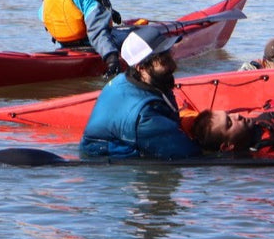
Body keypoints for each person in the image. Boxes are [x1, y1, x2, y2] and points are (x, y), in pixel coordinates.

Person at [79, 25, 200, 160]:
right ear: (141, 67)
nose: (174, 65)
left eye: (169, 54)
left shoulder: (135, 80)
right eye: (164, 60)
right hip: (111, 164)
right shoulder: (144, 116)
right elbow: (188, 154)